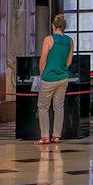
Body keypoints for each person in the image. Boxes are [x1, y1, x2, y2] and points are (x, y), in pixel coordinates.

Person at [33, 14, 74, 145]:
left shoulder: (48, 39)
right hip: (63, 77)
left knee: (43, 107)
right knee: (59, 107)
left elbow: (43, 60)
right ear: (64, 28)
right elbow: (69, 62)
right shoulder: (70, 41)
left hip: (49, 78)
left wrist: (42, 75)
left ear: (53, 26)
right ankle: (56, 136)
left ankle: (45, 136)